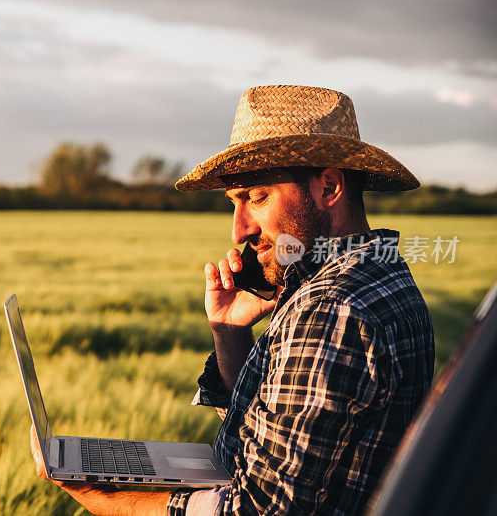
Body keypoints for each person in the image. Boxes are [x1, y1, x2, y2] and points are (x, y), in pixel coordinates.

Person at [30, 85, 435, 515]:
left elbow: (258, 509)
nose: (238, 230)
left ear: (328, 188)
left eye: (257, 198)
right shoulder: (382, 273)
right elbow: (273, 444)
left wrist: (107, 498)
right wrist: (230, 329)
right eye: (234, 203)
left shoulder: (332, 309)